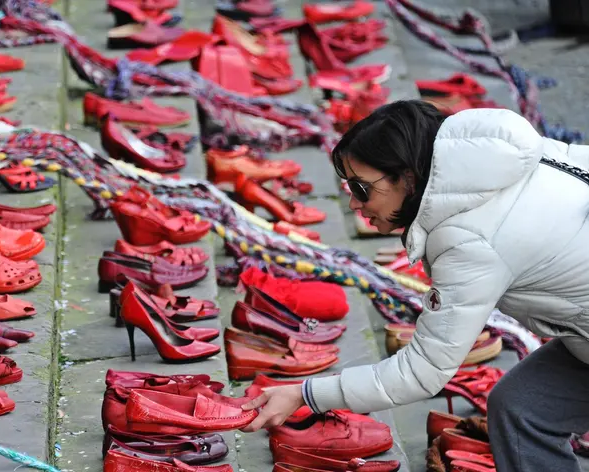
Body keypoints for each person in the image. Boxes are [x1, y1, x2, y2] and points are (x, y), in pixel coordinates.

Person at [239, 100, 589, 472]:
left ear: (408, 177)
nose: (355, 204)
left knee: (523, 408)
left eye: (362, 188)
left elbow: (420, 372)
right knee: (521, 407)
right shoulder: (506, 160)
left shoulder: (468, 239)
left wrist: (305, 393)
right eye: (348, 188)